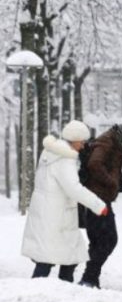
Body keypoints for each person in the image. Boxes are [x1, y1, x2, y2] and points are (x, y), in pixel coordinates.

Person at [21, 121, 108, 282]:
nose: (83, 146)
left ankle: (62, 289)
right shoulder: (65, 159)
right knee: (48, 259)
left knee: (65, 256)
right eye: (82, 142)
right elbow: (73, 188)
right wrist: (98, 205)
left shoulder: (51, 152)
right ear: (74, 140)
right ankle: (42, 292)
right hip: (56, 216)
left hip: (47, 212)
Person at [79, 121, 122, 288]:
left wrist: (118, 178)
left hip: (99, 198)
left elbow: (107, 163)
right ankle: (89, 278)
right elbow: (94, 164)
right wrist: (112, 183)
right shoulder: (107, 142)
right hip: (96, 199)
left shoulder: (115, 143)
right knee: (108, 239)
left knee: (100, 240)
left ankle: (91, 278)